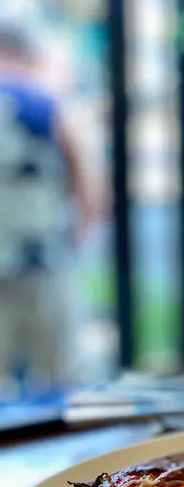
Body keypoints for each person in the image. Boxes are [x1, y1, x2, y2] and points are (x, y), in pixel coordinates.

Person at [0, 20, 98, 399]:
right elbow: (86, 181)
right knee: (60, 383)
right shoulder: (49, 106)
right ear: (27, 57)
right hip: (43, 260)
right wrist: (79, 233)